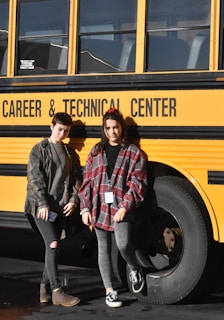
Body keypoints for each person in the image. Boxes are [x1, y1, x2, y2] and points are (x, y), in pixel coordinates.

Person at [78, 108, 148, 308]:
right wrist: (85, 209)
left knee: (123, 244)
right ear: (104, 129)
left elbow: (138, 183)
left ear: (121, 128)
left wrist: (125, 207)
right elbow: (87, 182)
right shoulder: (96, 152)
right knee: (103, 248)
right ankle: (109, 291)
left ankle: (134, 268)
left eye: (115, 127)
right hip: (99, 208)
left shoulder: (134, 153)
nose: (112, 132)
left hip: (121, 208)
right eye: (108, 128)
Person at [24, 112, 82, 307]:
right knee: (53, 244)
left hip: (60, 208)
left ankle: (44, 289)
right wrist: (42, 203)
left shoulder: (70, 153)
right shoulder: (39, 149)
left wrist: (73, 200)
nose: (62, 134)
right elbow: (34, 178)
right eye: (59, 129)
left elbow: (76, 180)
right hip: (42, 207)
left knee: (53, 249)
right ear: (51, 127)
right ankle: (57, 291)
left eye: (66, 131)